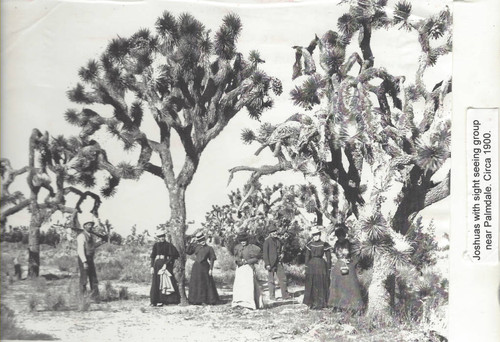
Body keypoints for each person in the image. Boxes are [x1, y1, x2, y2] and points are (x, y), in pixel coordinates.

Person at [328, 224, 364, 312]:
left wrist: (352, 262)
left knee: (349, 286)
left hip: (348, 266)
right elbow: (334, 254)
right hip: (339, 266)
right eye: (338, 236)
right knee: (337, 285)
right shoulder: (336, 244)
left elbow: (357, 255)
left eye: (341, 236)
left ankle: (352, 306)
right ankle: (337, 305)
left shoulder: (349, 243)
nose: (340, 238)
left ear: (344, 235)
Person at [231, 232, 263, 310]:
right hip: (240, 269)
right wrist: (239, 261)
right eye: (241, 240)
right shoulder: (237, 247)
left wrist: (247, 261)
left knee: (248, 286)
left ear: (247, 240)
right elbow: (235, 258)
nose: (243, 242)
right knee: (239, 286)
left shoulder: (252, 247)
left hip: (248, 268)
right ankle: (239, 302)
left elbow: (256, 258)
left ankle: (249, 304)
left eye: (244, 240)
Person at [186, 231, 219, 305]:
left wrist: (211, 269)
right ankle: (195, 300)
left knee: (205, 283)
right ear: (198, 241)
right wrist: (191, 243)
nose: (202, 242)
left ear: (205, 239)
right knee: (196, 283)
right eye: (200, 240)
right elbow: (188, 252)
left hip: (205, 267)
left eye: (203, 239)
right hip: (196, 267)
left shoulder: (209, 248)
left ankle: (205, 300)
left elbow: (212, 259)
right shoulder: (196, 247)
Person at [303, 226, 331, 309]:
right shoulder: (310, 244)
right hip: (311, 266)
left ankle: (322, 303)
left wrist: (329, 268)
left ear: (320, 235)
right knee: (312, 282)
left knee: (321, 282)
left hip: (321, 265)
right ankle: (312, 303)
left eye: (317, 235)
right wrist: (306, 267)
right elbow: (307, 257)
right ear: (312, 236)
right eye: (314, 235)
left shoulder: (324, 244)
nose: (316, 236)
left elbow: (329, 257)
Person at [150, 229, 180, 306]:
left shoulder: (169, 245)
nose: (162, 238)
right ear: (158, 238)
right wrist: (152, 267)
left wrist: (166, 264)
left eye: (163, 236)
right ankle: (155, 301)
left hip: (166, 265)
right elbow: (153, 257)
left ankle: (166, 301)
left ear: (165, 236)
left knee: (166, 282)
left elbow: (173, 256)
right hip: (157, 265)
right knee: (157, 282)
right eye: (160, 237)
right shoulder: (156, 245)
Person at [77, 219, 105, 299]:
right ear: (84, 226)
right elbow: (80, 250)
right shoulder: (81, 236)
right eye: (89, 225)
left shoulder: (91, 236)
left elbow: (92, 246)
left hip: (90, 258)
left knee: (93, 278)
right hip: (84, 258)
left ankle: (95, 297)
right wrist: (84, 261)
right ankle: (82, 298)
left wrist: (101, 242)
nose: (91, 226)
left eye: (91, 225)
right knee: (84, 279)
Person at [263, 225, 291, 301]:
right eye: (272, 232)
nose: (274, 233)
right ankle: (272, 296)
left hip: (278, 262)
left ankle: (285, 295)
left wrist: (282, 254)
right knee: (271, 281)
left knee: (283, 279)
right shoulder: (267, 242)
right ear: (270, 233)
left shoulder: (278, 240)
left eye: (275, 231)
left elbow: (282, 249)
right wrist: (267, 264)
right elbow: (265, 254)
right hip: (270, 264)